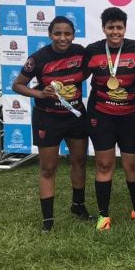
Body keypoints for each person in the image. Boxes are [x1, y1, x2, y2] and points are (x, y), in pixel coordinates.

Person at [12, 16, 91, 232]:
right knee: (48, 168)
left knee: (79, 161)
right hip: (47, 118)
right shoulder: (38, 58)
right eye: (57, 33)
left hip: (75, 116)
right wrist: (39, 93)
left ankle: (78, 206)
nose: (63, 38)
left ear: (73, 35)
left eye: (67, 33)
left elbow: (87, 72)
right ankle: (48, 220)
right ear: (50, 35)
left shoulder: (81, 53)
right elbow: (17, 85)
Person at [84, 7, 135, 231]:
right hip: (101, 116)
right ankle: (103, 215)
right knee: (104, 163)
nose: (115, 31)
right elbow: (77, 76)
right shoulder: (92, 51)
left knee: (133, 164)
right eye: (110, 27)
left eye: (119, 27)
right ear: (103, 28)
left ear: (125, 28)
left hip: (130, 116)